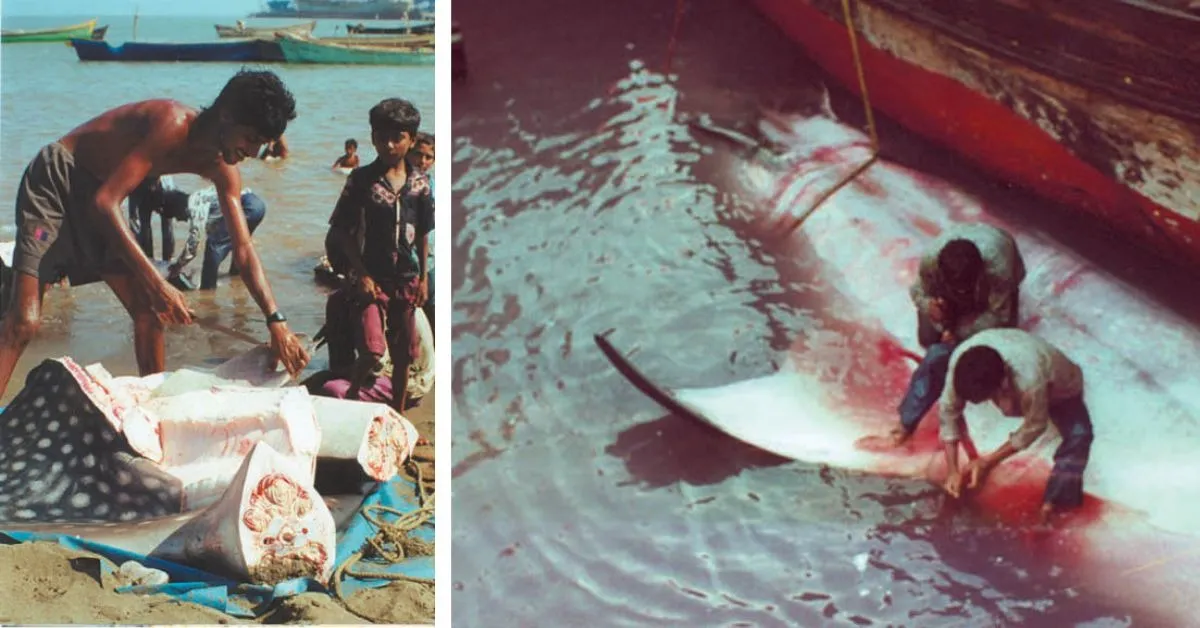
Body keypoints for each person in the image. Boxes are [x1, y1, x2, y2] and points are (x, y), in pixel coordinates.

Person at [0, 69, 310, 398]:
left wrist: (276, 320)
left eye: (261, 144)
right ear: (227, 116)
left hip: (101, 193)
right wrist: (157, 283)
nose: (253, 152)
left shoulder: (224, 169)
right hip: (57, 178)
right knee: (24, 321)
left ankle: (153, 411)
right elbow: (106, 203)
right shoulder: (171, 124)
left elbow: (244, 251)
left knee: (149, 315)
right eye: (250, 138)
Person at [322, 97, 433, 413]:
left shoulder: (420, 184)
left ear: (411, 139)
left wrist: (423, 278)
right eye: (382, 137)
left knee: (403, 357)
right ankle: (353, 396)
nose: (389, 145)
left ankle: (397, 414)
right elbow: (342, 231)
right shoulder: (360, 180)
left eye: (398, 137)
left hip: (406, 280)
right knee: (372, 351)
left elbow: (422, 234)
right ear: (372, 137)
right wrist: (361, 273)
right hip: (371, 278)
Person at [938, 328, 1092, 523]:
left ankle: (1054, 503)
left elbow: (1035, 425)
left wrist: (989, 461)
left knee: (1080, 435)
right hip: (1013, 356)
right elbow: (948, 410)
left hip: (1061, 384)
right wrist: (952, 470)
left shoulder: (1030, 380)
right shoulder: (960, 364)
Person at [891, 224, 1025, 446]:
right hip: (951, 285)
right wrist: (929, 306)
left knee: (997, 340)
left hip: (999, 258)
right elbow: (917, 292)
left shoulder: (1000, 272)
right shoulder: (931, 263)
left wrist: (960, 334)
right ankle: (907, 421)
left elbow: (999, 316)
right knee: (929, 341)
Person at [407, 131, 435, 335]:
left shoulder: (434, 186)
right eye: (418, 154)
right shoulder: (402, 184)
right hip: (410, 263)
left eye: (429, 157)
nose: (422, 161)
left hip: (433, 262)